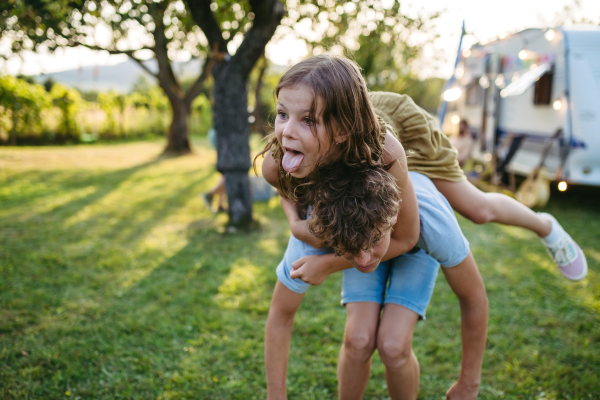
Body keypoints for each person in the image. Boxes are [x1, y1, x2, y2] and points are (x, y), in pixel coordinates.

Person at [258, 55, 586, 281]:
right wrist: (295, 223)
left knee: (477, 209)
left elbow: (405, 236)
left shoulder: (386, 149)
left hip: (401, 130)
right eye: (282, 115)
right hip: (342, 139)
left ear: (339, 128)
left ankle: (545, 226)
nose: (285, 130)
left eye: (305, 119)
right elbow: (288, 190)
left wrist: (329, 263)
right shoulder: (279, 160)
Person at [266, 164, 488, 400]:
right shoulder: (319, 228)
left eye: (374, 241)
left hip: (417, 251)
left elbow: (474, 298)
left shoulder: (434, 223)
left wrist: (469, 383)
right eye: (350, 247)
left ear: (392, 218)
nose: (363, 260)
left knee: (394, 346)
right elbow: (280, 314)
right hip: (356, 233)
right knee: (357, 341)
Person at [201, 128, 227, 213]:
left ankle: (220, 204)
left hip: (219, 134)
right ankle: (209, 195)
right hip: (220, 135)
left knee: (225, 173)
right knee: (228, 174)